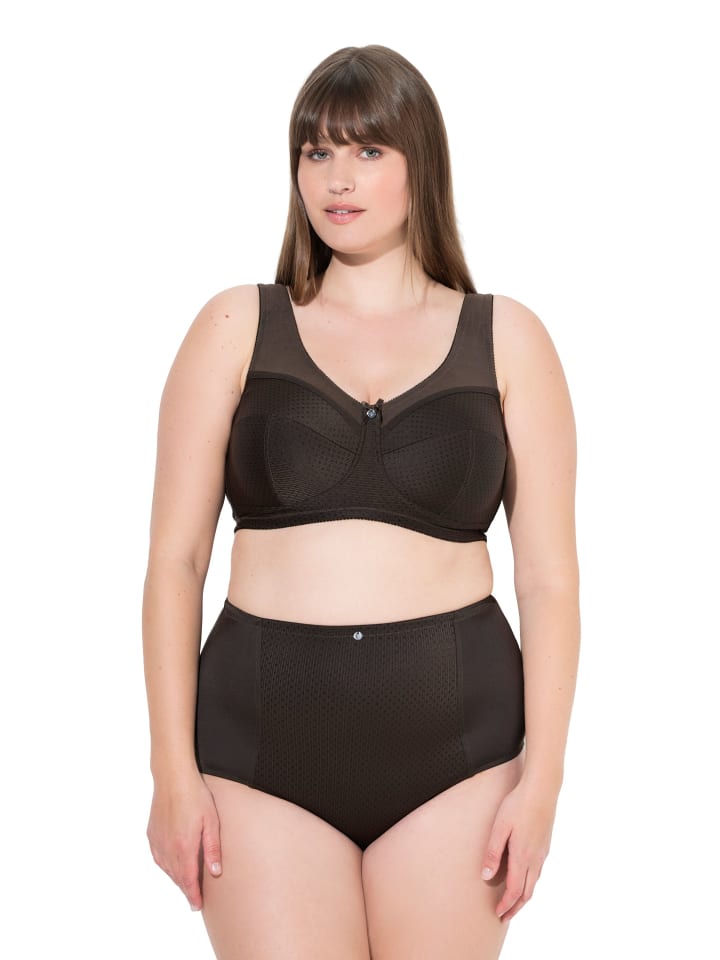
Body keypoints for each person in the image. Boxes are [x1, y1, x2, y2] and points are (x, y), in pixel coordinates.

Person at [142, 44, 580, 960]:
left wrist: (542, 783)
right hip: (260, 750)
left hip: (459, 753)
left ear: (423, 162)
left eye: (368, 150)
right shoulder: (235, 325)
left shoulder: (508, 338)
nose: (337, 178)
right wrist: (169, 772)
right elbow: (176, 563)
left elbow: (548, 580)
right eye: (317, 152)